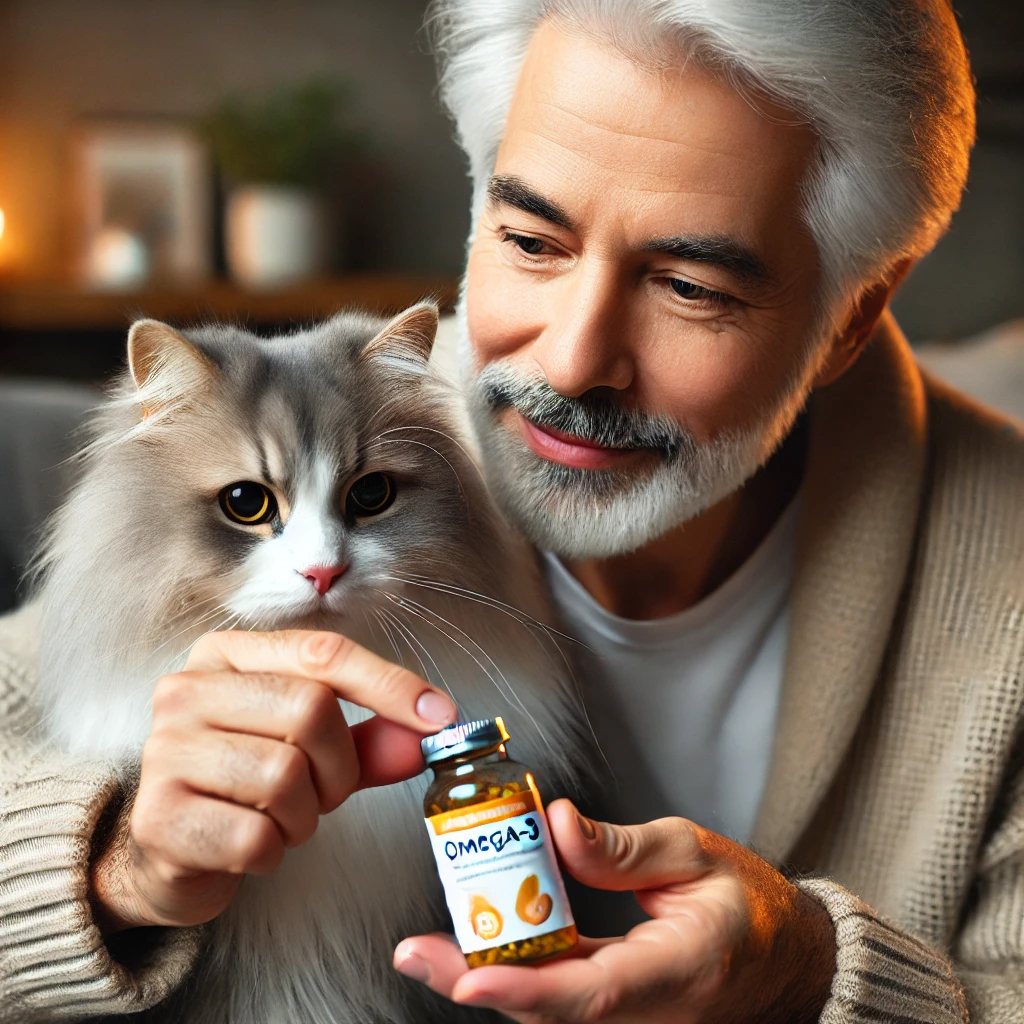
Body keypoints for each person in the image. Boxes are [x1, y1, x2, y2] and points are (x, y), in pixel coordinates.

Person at [1, 1, 1020, 1022]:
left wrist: (804, 978)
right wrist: (119, 868)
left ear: (850, 316)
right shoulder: (384, 414)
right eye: (532, 240)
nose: (571, 362)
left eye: (688, 286)